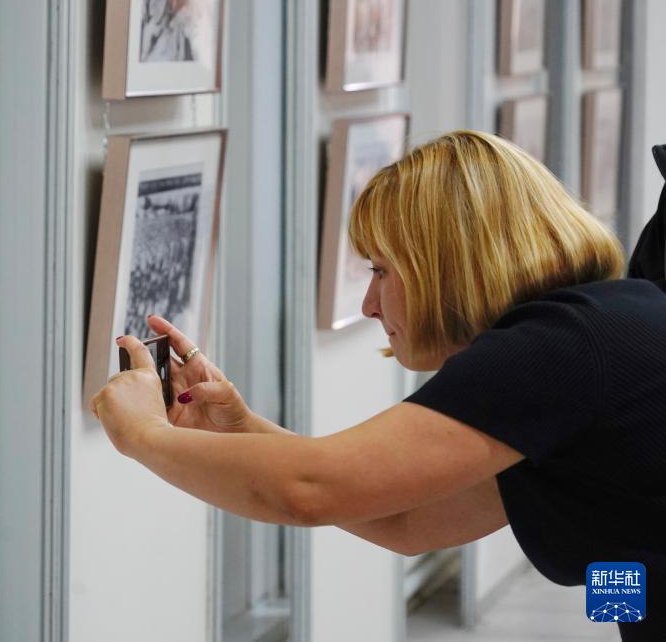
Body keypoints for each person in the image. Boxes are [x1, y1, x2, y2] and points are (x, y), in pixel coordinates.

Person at [90, 131, 666, 642]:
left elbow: (310, 491)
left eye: (381, 271)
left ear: (447, 264)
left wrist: (142, 433)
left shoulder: (554, 348)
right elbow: (409, 522)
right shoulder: (595, 323)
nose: (369, 304)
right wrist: (238, 429)